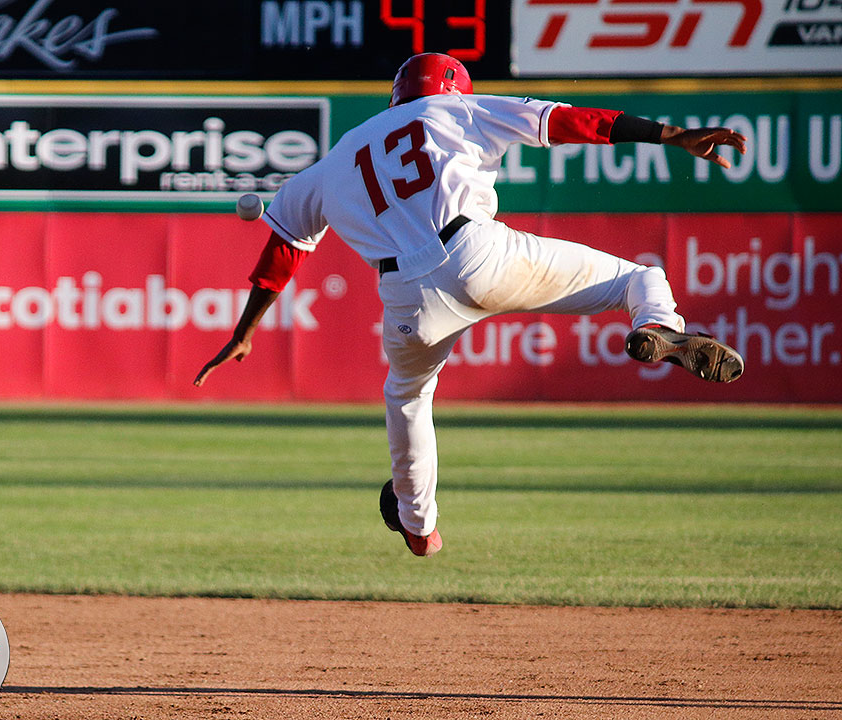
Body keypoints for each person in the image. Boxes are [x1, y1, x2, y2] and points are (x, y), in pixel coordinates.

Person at [194, 53, 746, 558]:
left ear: (395, 95)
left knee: (408, 397)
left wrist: (244, 332)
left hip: (407, 297)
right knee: (639, 278)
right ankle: (657, 326)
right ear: (452, 86)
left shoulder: (335, 161)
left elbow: (284, 247)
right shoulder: (456, 108)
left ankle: (420, 527)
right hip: (481, 254)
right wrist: (670, 135)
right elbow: (570, 121)